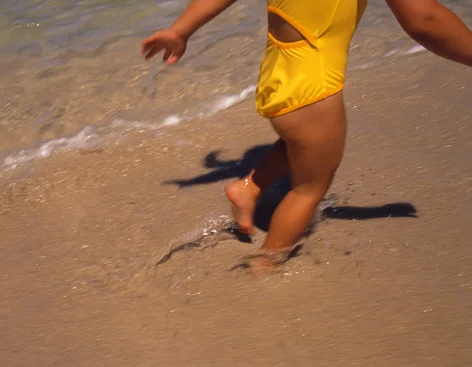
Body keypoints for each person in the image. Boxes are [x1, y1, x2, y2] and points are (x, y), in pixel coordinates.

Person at [141, 0, 472, 273]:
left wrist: (180, 29)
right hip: (313, 87)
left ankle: (248, 188)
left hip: (280, 71)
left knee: (304, 145)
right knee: (308, 188)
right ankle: (265, 265)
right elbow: (424, 19)